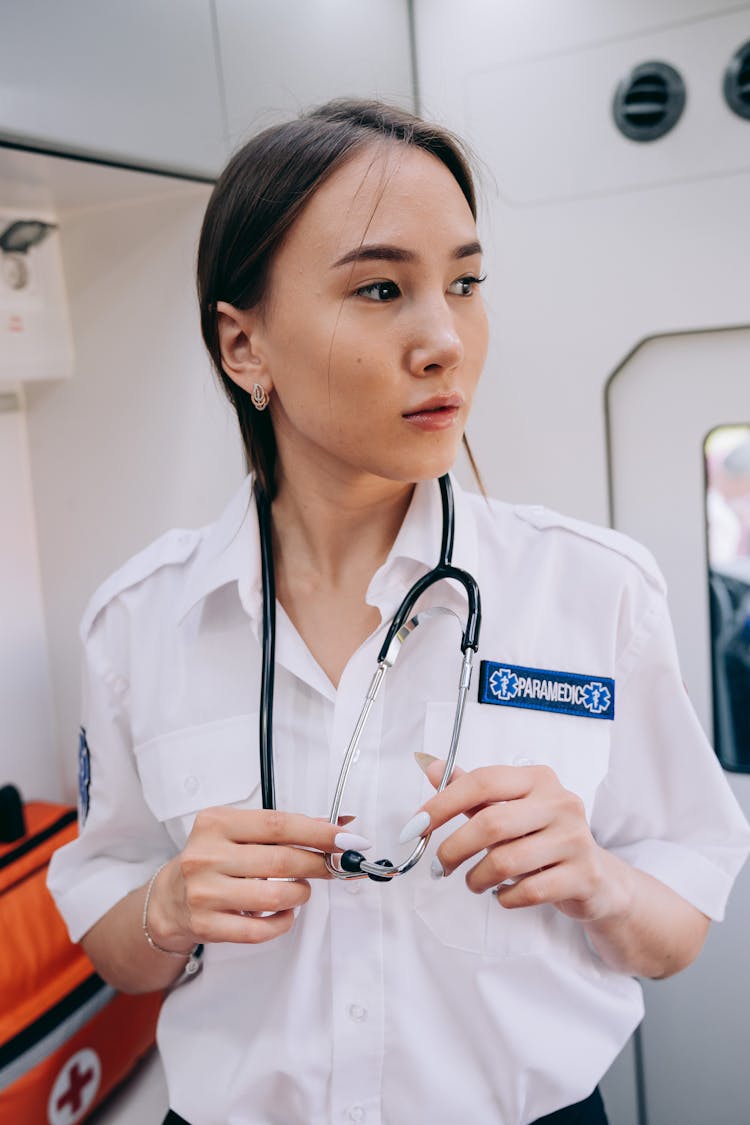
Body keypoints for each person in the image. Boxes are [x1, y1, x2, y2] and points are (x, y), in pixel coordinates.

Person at [48, 100, 750, 1125]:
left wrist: (595, 877)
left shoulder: (594, 591)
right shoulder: (137, 625)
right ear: (245, 348)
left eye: (464, 284)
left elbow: (678, 922)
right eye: (382, 288)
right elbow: (119, 944)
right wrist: (164, 908)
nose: (444, 341)